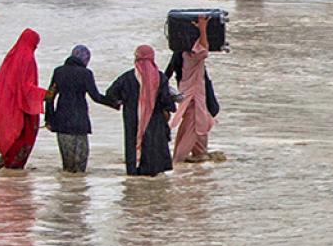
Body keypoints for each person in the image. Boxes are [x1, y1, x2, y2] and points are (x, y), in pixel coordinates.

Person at [105, 45, 177, 176]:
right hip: (155, 119)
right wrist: (170, 108)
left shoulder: (127, 77)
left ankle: (134, 171)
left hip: (132, 118)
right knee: (153, 144)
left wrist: (121, 102)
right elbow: (166, 99)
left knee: (133, 143)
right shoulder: (160, 78)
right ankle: (151, 174)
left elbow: (110, 94)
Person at [44, 44, 116, 173]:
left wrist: (49, 120)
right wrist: (114, 103)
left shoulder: (59, 71)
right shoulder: (86, 73)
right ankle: (79, 191)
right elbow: (96, 97)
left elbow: (50, 96)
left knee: (67, 166)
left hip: (62, 121)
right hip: (80, 121)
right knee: (80, 167)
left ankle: (66, 191)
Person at [0, 29, 47, 170]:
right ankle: (12, 169)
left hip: (7, 104)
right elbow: (26, 87)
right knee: (23, 138)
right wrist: (46, 94)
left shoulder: (12, 55)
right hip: (22, 108)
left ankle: (6, 163)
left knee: (13, 138)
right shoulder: (28, 58)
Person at [169, 15, 217, 163]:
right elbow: (203, 50)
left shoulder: (181, 55)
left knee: (192, 126)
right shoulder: (193, 57)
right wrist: (202, 28)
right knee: (194, 127)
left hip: (188, 95)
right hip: (194, 97)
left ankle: (199, 155)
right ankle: (178, 161)